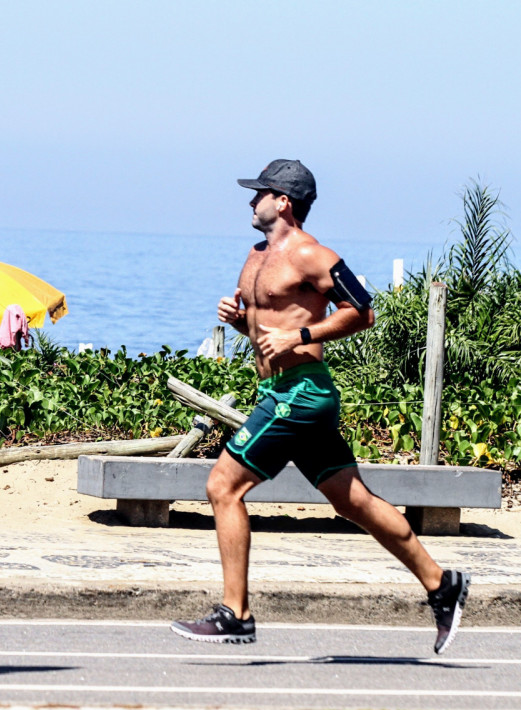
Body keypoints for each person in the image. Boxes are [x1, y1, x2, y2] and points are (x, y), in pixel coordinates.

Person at [169, 160, 470, 654]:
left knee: (222, 486)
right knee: (352, 501)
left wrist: (303, 333)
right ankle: (443, 585)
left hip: (300, 395)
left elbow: (363, 310)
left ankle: (235, 614)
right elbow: (267, 333)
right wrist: (241, 321)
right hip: (276, 391)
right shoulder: (255, 255)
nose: (250, 201)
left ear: (283, 201)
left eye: (259, 193)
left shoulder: (312, 255)